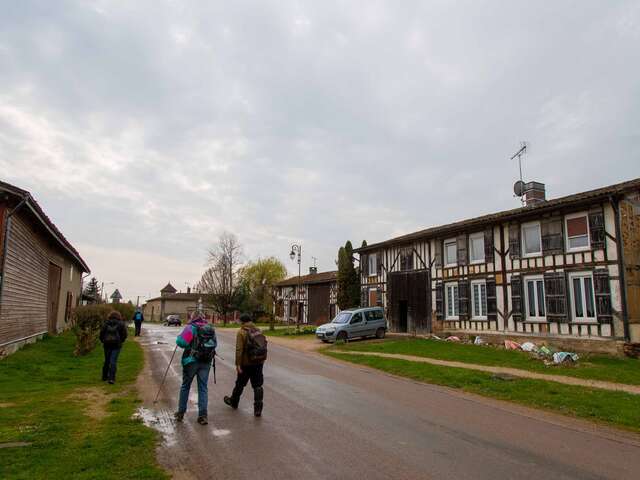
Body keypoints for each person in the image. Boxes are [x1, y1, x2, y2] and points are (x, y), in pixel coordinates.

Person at [174, 313, 217, 425]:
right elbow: (215, 344)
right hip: (206, 361)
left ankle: (181, 412)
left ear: (193, 317)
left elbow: (181, 342)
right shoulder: (209, 328)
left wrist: (179, 337)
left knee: (185, 386)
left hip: (191, 361)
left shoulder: (191, 327)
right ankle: (203, 416)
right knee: (203, 387)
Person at [224, 313, 268, 417]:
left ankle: (234, 402)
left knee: (240, 383)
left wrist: (238, 364)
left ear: (242, 322)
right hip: (258, 362)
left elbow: (239, 350)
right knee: (258, 385)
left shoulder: (241, 332)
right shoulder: (258, 330)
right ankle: (258, 409)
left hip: (246, 363)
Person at [99, 310, 128, 384]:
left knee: (107, 360)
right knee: (113, 361)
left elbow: (102, 333)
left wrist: (103, 341)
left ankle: (104, 376)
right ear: (119, 316)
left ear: (110, 316)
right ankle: (111, 378)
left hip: (107, 344)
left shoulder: (106, 323)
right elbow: (124, 334)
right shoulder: (121, 324)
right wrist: (121, 341)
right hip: (116, 345)